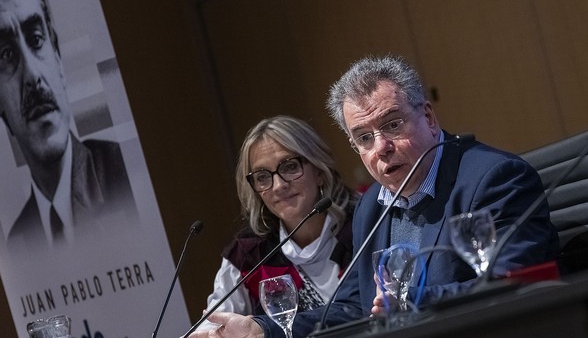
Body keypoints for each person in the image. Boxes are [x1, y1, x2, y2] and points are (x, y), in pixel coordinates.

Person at [190, 55, 559, 338]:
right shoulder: (373, 205)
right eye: (364, 137)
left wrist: (410, 300)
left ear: (429, 118)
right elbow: (354, 306)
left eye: (392, 124)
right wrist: (262, 329)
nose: (380, 147)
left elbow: (516, 282)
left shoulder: (494, 179)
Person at [0, 0, 134, 251]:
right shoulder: (17, 245)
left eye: (36, 39)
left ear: (56, 53)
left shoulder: (125, 177)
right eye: (6, 54)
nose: (32, 76)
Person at [195, 116, 359, 332]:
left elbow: (364, 308)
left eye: (290, 167)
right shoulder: (249, 254)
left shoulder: (362, 225)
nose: (279, 185)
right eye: (263, 177)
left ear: (319, 171)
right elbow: (213, 325)